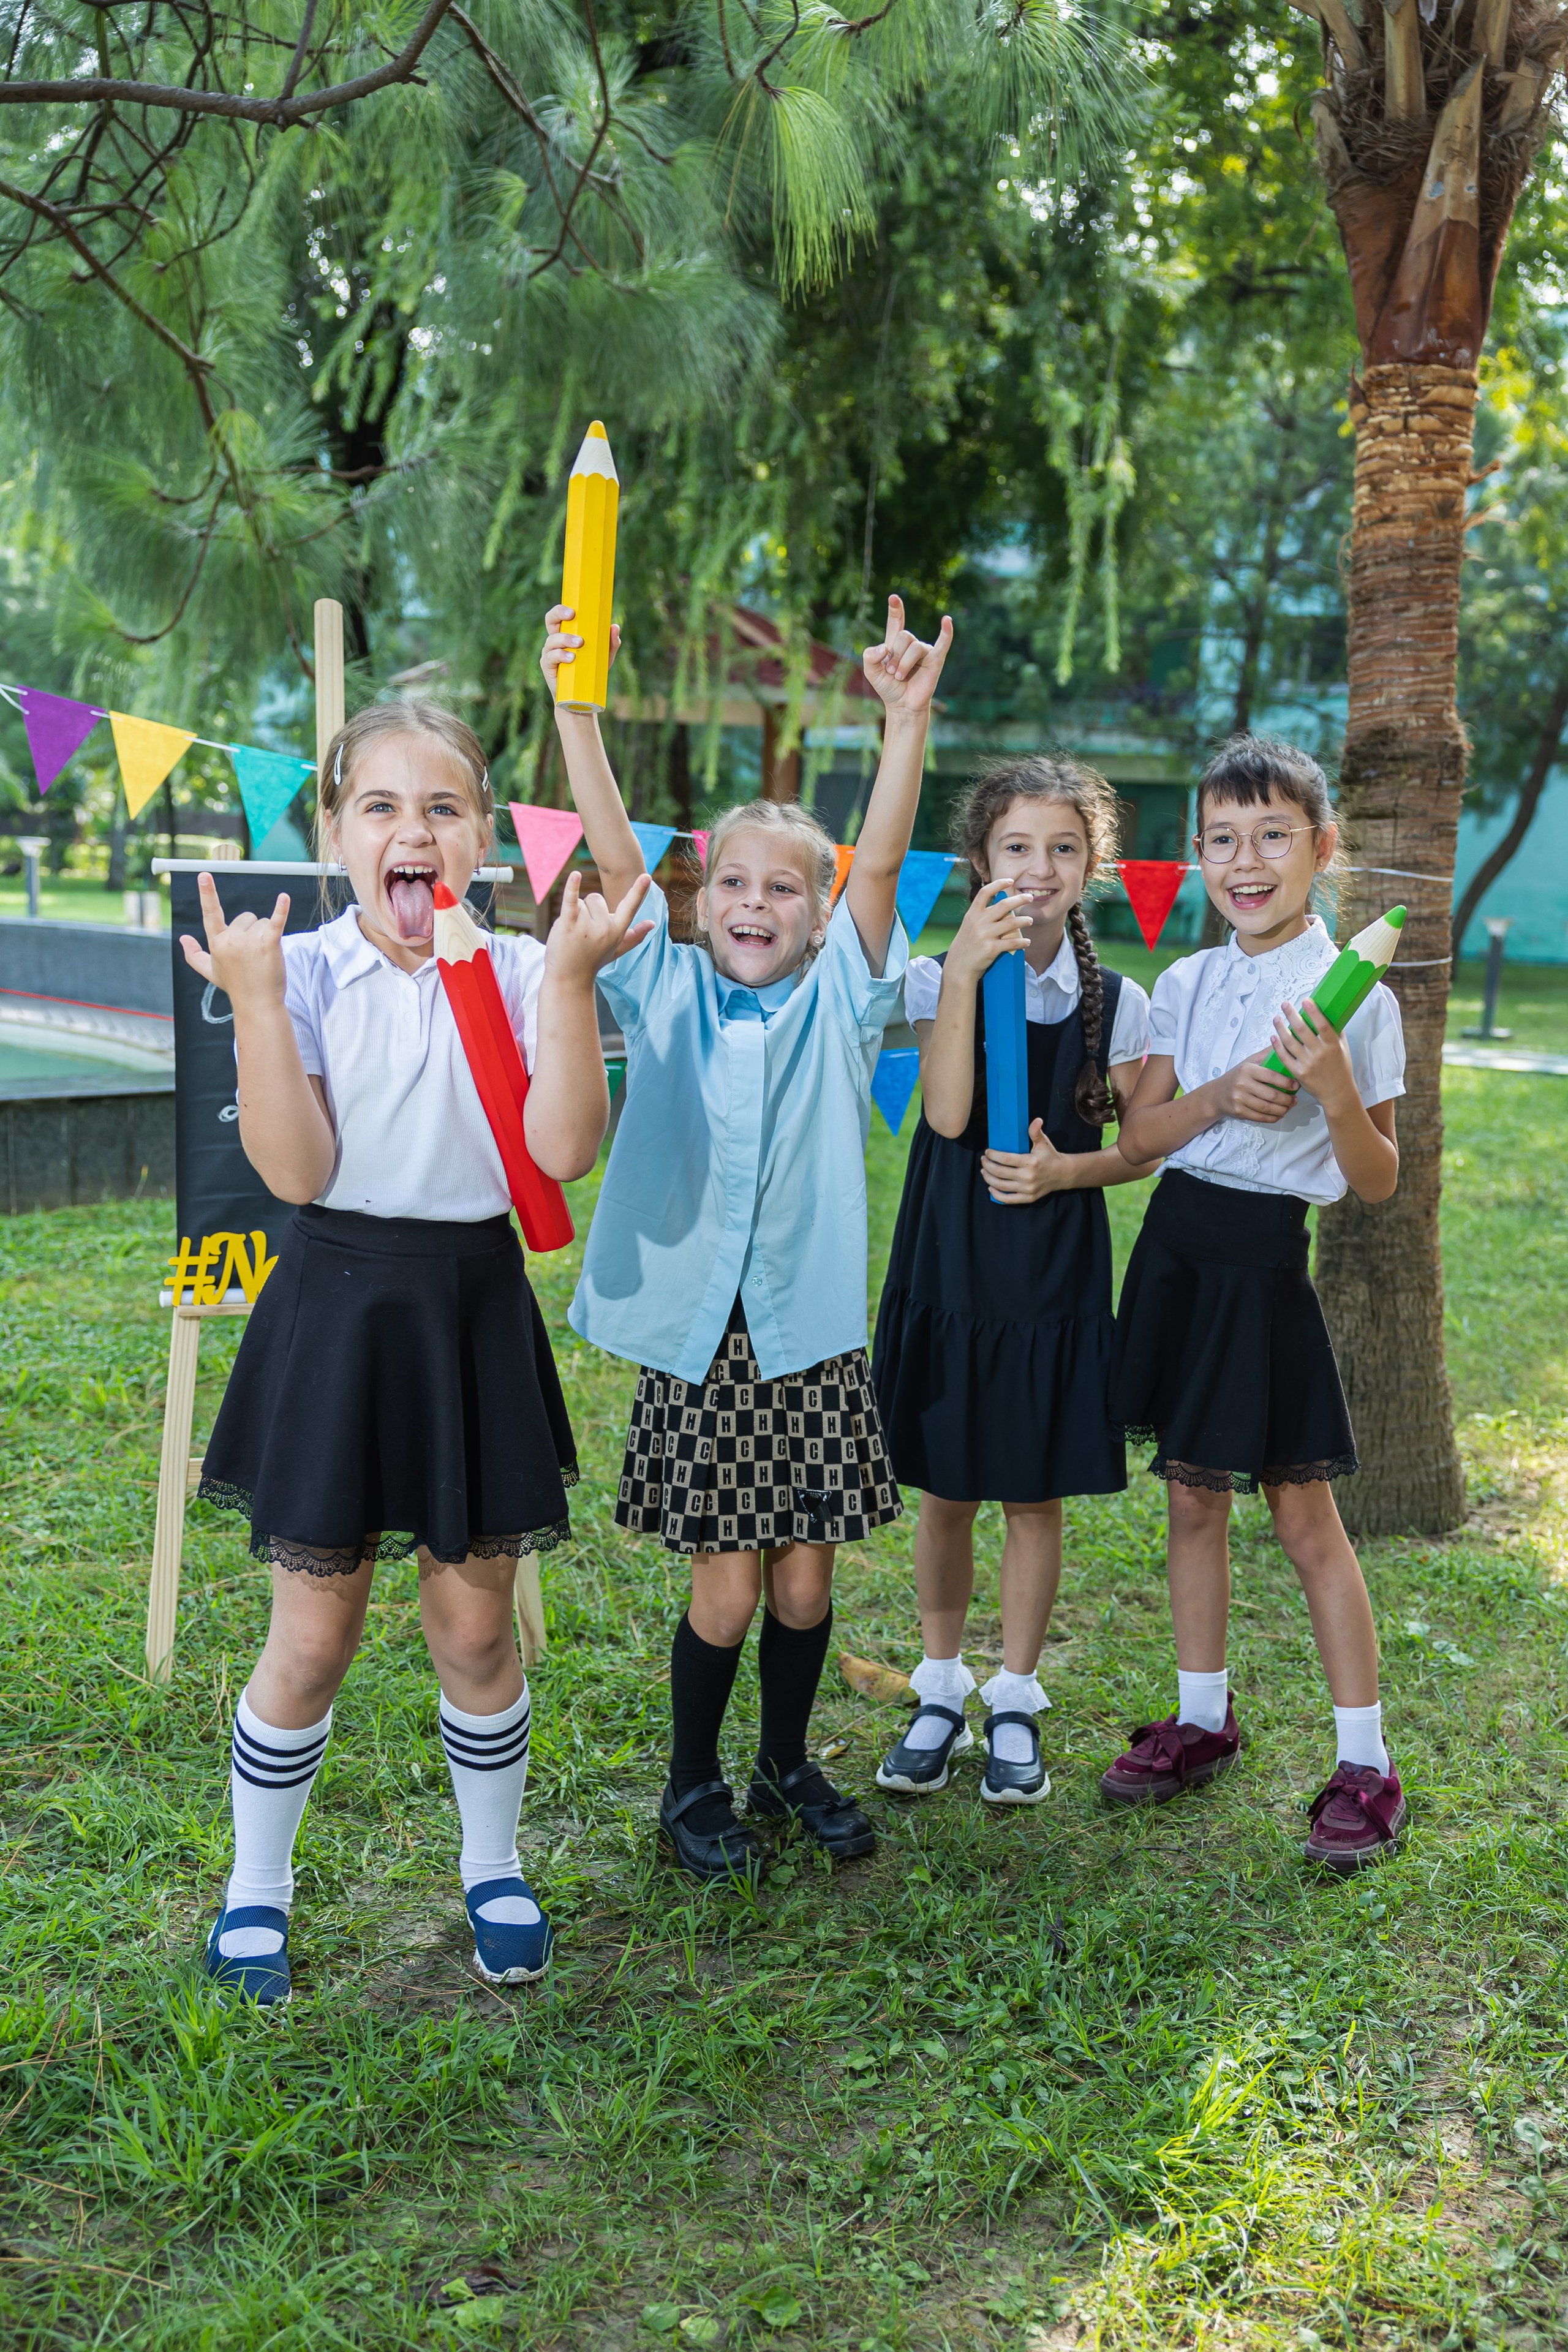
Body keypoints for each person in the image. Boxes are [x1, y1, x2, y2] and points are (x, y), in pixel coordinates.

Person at [187, 700, 650, 2002]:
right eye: (380, 807)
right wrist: (259, 1005)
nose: (413, 830)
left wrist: (566, 982)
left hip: (468, 1306)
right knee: (313, 1637)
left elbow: (562, 1152)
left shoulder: (514, 971)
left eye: (441, 807)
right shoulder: (304, 969)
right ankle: (256, 1889)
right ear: (336, 835)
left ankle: (492, 1866)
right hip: (336, 1309)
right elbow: (295, 1167)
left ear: (486, 836)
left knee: (473, 1631)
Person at [540, 592, 951, 1882]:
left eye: (786, 887)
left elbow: (877, 864)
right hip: (703, 1346)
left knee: (804, 1587)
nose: (755, 902)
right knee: (725, 1589)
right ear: (699, 893)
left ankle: (784, 1763)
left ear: (821, 917)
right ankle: (689, 1785)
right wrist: (576, 712)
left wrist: (904, 722)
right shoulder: (658, 981)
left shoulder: (841, 999)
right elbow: (612, 859)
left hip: (810, 1337)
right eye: (731, 881)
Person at [1105, 733, 1407, 1872]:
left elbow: (1377, 1180)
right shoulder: (1186, 981)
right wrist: (1224, 1096)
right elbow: (1140, 1139)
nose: (1247, 859)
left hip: (1263, 1266)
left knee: (1301, 1518)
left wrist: (1331, 1090)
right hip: (1177, 1247)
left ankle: (1366, 1763)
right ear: (1197, 856)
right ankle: (1202, 1717)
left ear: (1320, 850)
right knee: (1191, 1500)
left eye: (1273, 836)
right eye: (1224, 839)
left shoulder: (1356, 998)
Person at [871, 759, 1156, 1805]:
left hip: (1051, 1271)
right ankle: (940, 1684)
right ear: (982, 861)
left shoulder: (1116, 1002)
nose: (1039, 869)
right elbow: (948, 1115)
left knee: (1032, 1493)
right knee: (945, 1488)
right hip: (952, 1258)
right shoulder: (940, 975)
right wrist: (960, 979)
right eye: (1018, 848)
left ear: (1093, 869)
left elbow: (1143, 1146)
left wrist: (1063, 1169)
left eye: (1063, 849)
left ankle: (1018, 1694)